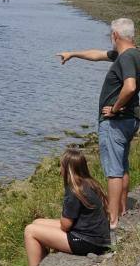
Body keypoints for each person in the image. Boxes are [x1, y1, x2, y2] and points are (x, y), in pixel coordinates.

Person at [57, 18, 140, 229]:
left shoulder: (126, 58)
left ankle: (112, 219)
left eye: (110, 35)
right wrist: (73, 54)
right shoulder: (130, 54)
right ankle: (121, 210)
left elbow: (130, 87)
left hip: (116, 122)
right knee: (122, 167)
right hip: (129, 120)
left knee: (113, 171)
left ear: (115, 36)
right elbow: (97, 54)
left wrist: (114, 108)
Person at [23, 149, 111, 266]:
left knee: (30, 231)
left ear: (67, 170)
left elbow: (65, 225)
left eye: (61, 166)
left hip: (88, 242)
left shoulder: (74, 190)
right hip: (99, 237)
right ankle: (43, 264)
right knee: (37, 222)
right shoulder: (91, 184)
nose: (60, 170)